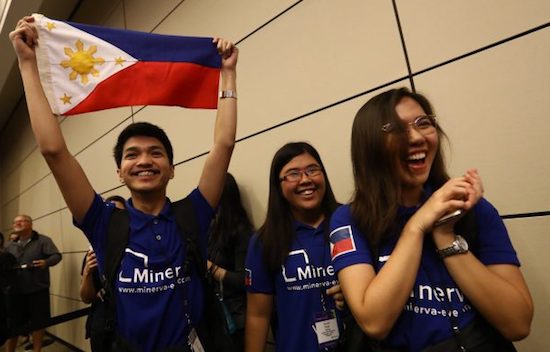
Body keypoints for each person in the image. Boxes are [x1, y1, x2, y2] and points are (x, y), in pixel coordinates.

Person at [10, 14, 238, 352]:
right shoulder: (104, 222)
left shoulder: (193, 213)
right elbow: (53, 150)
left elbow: (223, 145)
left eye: (156, 153)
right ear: (119, 172)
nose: (144, 160)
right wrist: (27, 63)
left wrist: (229, 73)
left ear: (172, 169)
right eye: (132, 155)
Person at [329, 87, 533, 351]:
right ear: (370, 147)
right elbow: (374, 322)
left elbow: (518, 324)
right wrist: (416, 226)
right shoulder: (348, 221)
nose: (416, 137)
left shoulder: (472, 208)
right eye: (397, 129)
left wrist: (445, 235)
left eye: (423, 123)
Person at [245, 142, 345, 352]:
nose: (306, 179)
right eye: (293, 174)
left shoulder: (350, 223)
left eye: (312, 170)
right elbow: (258, 315)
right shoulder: (264, 241)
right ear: (278, 186)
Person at [207, 173, 254, 351]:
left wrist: (213, 270)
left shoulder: (240, 231)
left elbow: (247, 280)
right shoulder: (211, 228)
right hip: (215, 317)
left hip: (236, 318)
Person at [4, 215, 62, 352]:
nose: (17, 223)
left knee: (39, 323)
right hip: (15, 291)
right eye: (15, 221)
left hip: (38, 289)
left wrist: (46, 262)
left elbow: (57, 256)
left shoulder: (43, 240)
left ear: (30, 224)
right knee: (14, 325)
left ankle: (37, 350)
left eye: (21, 220)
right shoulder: (9, 245)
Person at [80, 195, 126, 352]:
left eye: (118, 214)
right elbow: (86, 298)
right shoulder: (93, 254)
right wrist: (87, 272)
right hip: (103, 324)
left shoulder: (139, 250)